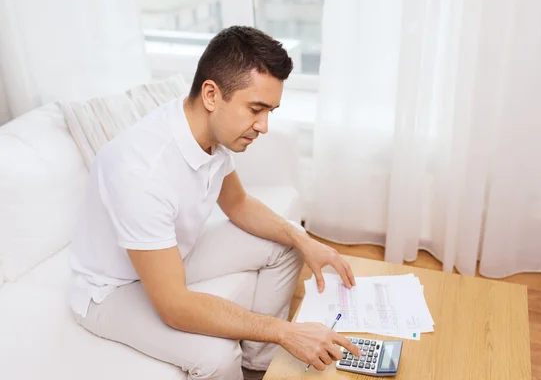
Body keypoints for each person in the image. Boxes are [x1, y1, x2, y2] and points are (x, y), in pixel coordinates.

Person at [68, 26, 362, 380]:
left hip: (171, 254)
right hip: (111, 290)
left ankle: (260, 366)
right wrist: (284, 331)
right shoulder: (141, 170)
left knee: (286, 243)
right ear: (211, 94)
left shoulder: (209, 132)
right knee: (217, 356)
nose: (264, 125)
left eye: (270, 110)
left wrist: (304, 240)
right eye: (256, 109)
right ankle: (261, 353)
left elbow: (237, 204)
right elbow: (174, 307)